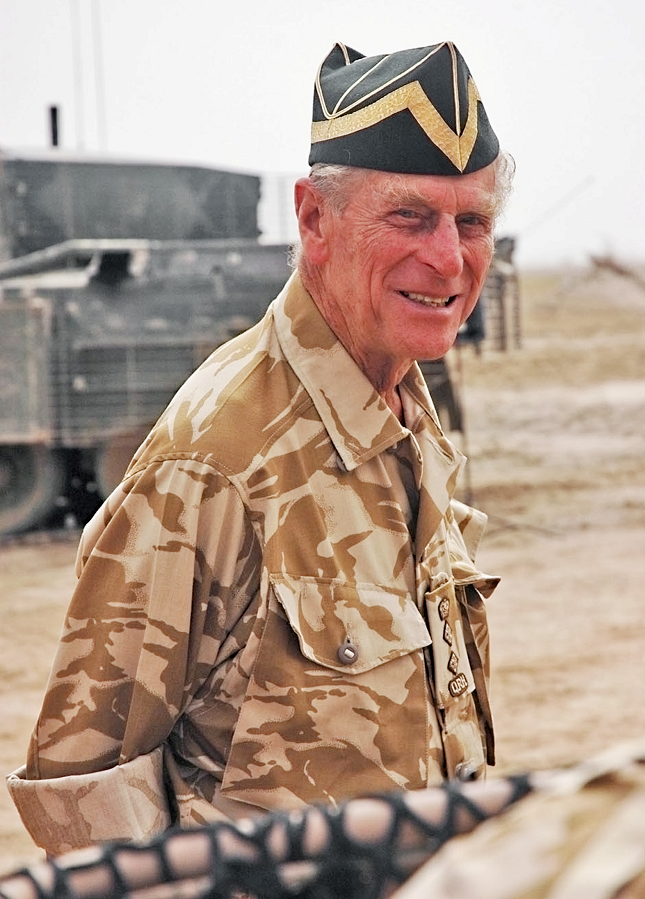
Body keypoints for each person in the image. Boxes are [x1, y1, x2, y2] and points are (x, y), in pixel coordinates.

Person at [7, 39, 514, 857]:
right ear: (314, 220)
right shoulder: (212, 466)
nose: (448, 259)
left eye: (472, 222)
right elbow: (85, 797)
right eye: (409, 216)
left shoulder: (402, 411)